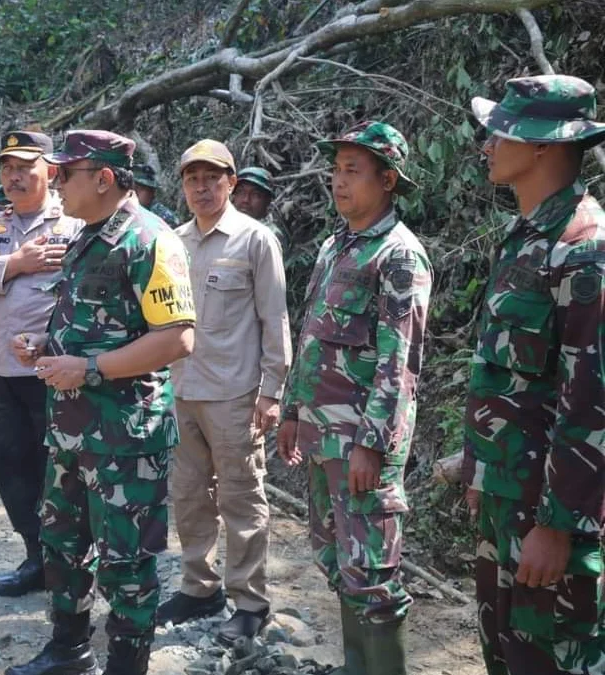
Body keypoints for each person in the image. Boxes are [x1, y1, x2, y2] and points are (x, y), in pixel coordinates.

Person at [7, 130, 195, 675]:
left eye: (66, 174)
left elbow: (177, 338)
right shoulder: (87, 236)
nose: (56, 182)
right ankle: (69, 650)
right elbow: (92, 322)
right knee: (61, 545)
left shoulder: (150, 239)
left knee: (127, 562)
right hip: (71, 429)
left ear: (105, 179)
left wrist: (87, 368)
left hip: (125, 438)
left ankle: (126, 664)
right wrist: (46, 344)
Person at [276, 121, 432, 675]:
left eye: (352, 171)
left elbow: (399, 364)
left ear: (388, 180)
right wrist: (293, 410)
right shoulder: (334, 245)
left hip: (361, 447)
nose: (337, 182)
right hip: (323, 438)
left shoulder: (398, 257)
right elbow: (312, 334)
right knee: (336, 561)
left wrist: (373, 445)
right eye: (335, 169)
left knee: (372, 575)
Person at [463, 74, 605, 675]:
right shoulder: (525, 237)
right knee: (506, 651)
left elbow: (590, 401)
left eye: (500, 131)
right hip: (507, 496)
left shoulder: (583, 248)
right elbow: (507, 379)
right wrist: (478, 467)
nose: (487, 143)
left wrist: (560, 524)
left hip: (546, 514)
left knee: (553, 657)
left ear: (544, 143)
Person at [157, 140, 292, 644]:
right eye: (193, 179)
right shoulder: (173, 241)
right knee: (189, 496)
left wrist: (272, 390)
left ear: (231, 184)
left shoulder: (255, 241)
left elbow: (274, 318)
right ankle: (199, 586)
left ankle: (251, 601)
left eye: (212, 179)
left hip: (237, 395)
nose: (202, 188)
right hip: (182, 389)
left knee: (241, 497)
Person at [0, 130, 83, 598]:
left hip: (56, 374)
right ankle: (36, 557)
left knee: (61, 470)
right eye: (7, 168)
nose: (14, 176)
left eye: (25, 167)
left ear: (50, 170)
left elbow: (91, 299)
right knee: (10, 464)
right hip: (3, 373)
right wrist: (14, 264)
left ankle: (69, 563)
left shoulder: (74, 223)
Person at [232, 167, 288, 251]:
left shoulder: (269, 235)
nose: (246, 200)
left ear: (268, 200)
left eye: (255, 195)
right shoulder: (225, 227)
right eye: (241, 192)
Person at [132, 162, 180, 227]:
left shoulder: (164, 216)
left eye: (150, 189)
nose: (152, 193)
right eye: (133, 187)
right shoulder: (122, 210)